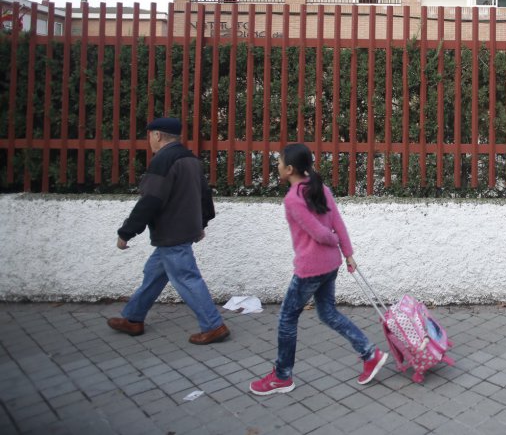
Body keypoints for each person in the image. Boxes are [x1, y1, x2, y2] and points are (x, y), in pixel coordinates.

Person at [249, 143, 387, 395]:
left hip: (310, 269)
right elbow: (338, 222)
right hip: (330, 265)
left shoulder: (293, 199)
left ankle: (282, 376)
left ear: (290, 169)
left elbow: (322, 232)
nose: (277, 166)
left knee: (287, 319)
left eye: (279, 163)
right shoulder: (320, 188)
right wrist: (347, 253)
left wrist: (337, 243)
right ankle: (370, 354)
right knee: (327, 313)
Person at [107, 117, 229, 345]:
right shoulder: (190, 159)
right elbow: (205, 194)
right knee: (153, 275)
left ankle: (214, 326)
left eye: (149, 135)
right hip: (181, 231)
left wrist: (127, 232)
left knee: (187, 278)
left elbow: (150, 200)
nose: (149, 140)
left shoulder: (163, 160)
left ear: (157, 135)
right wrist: (202, 223)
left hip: (172, 233)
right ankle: (133, 318)